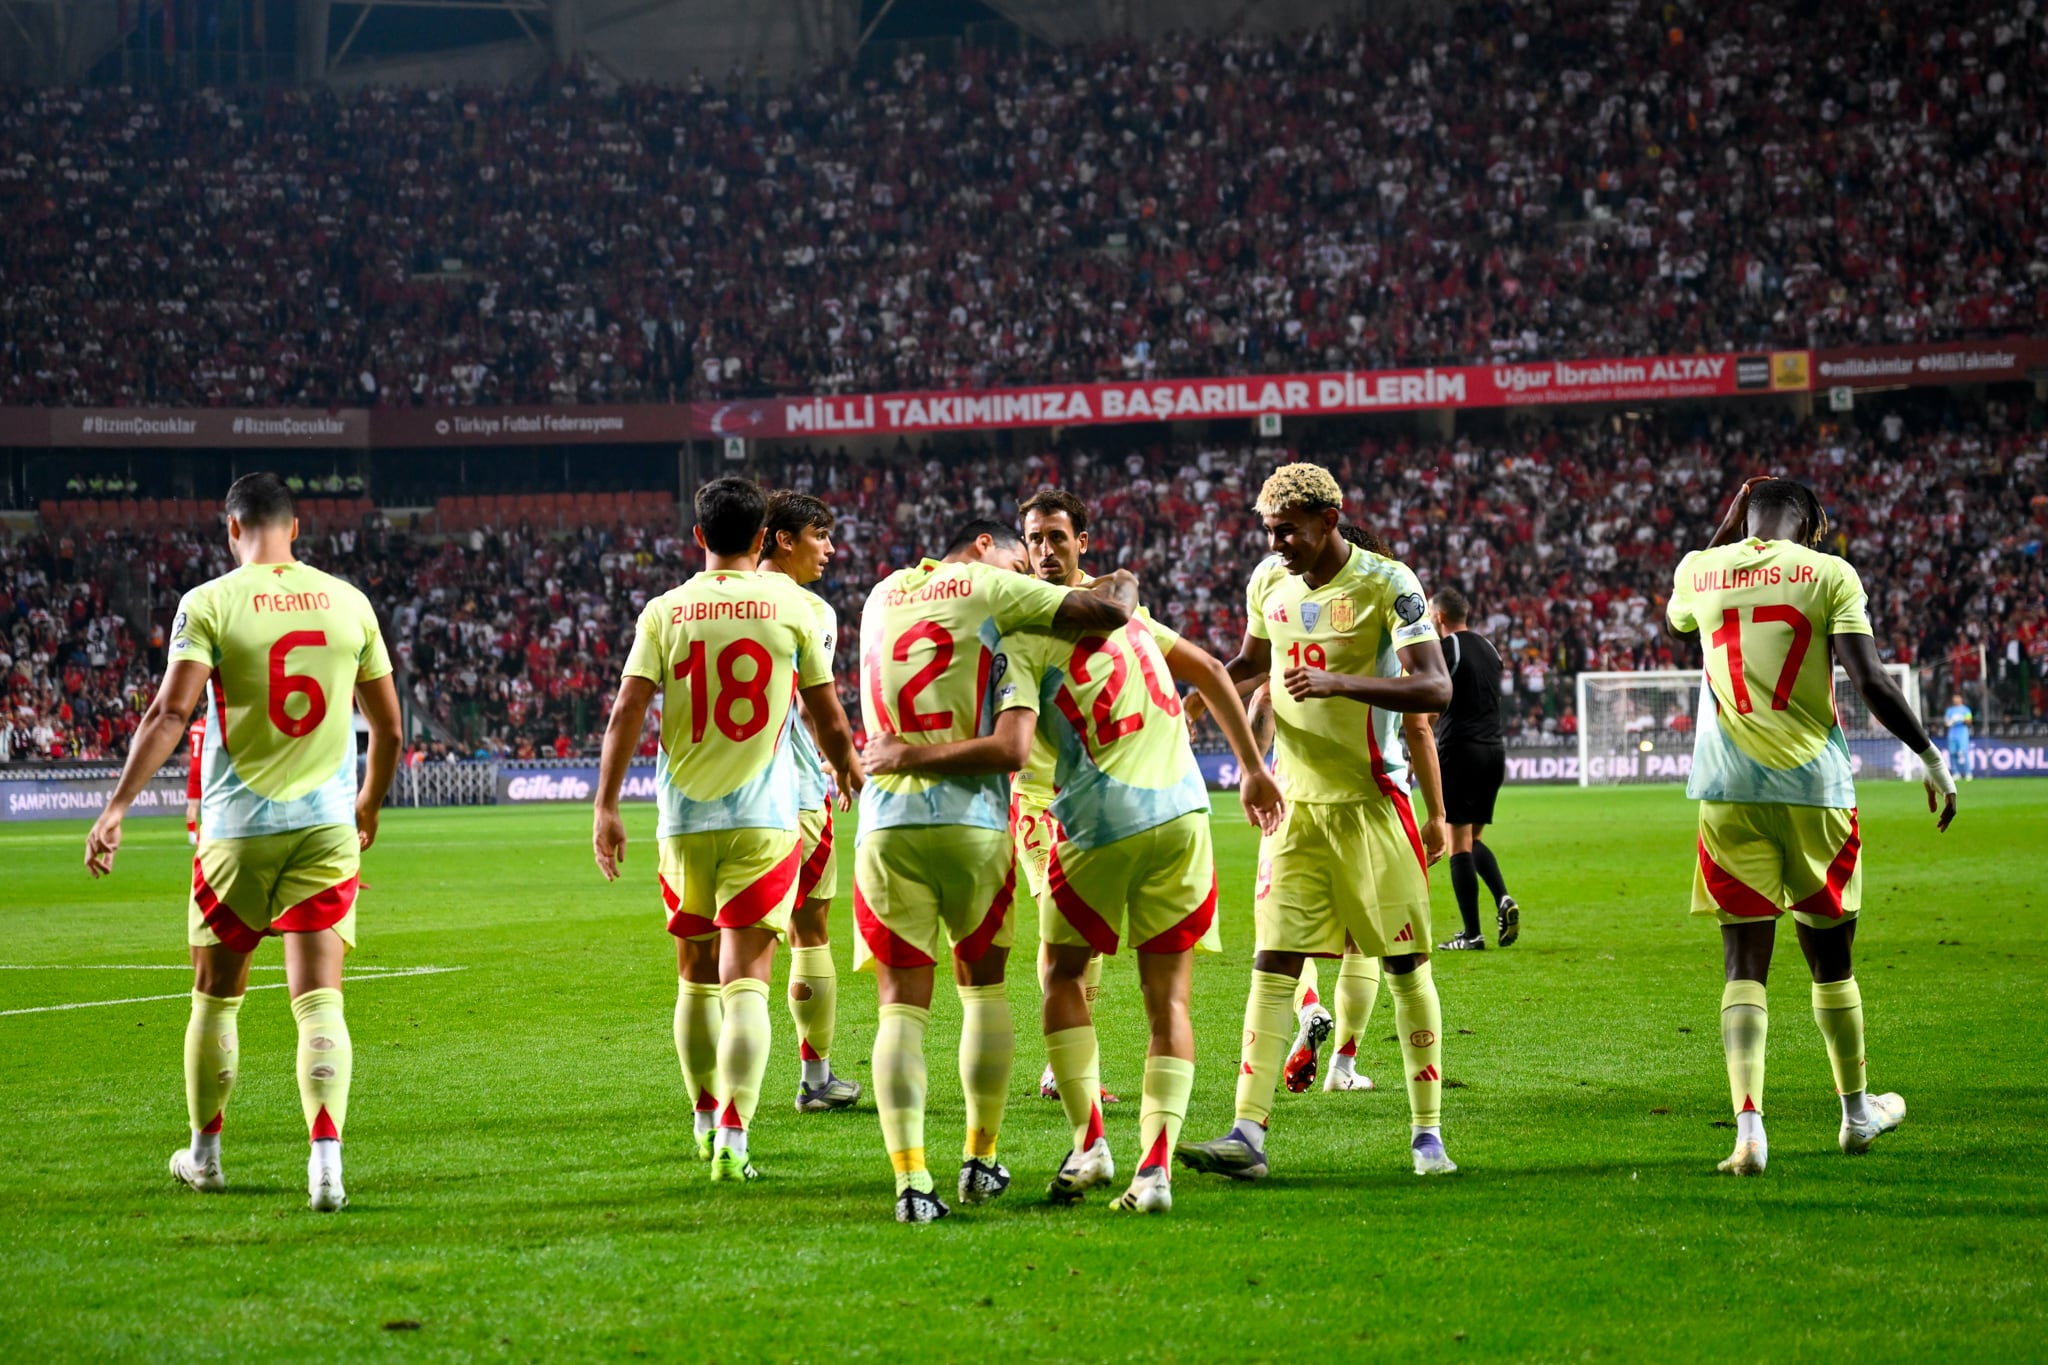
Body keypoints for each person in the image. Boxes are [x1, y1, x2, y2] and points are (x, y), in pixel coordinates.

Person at [85, 471, 402, 1213]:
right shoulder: (349, 601)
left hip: (235, 832)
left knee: (217, 999)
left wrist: (117, 806)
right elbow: (387, 728)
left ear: (233, 530)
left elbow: (170, 712)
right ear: (296, 528)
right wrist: (369, 802)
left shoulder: (210, 603)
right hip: (326, 828)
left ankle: (205, 1156)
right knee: (320, 1001)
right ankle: (326, 1163)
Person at [1666, 476, 1956, 1176]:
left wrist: (1726, 528)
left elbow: (1677, 620)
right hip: (1815, 789)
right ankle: (1856, 1113)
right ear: (1812, 521)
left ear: (1743, 516)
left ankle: (1750, 1131)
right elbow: (1871, 679)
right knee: (1831, 959)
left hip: (1727, 791)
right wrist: (1931, 758)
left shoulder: (1700, 568)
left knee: (1743, 964)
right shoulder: (1830, 573)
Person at [1178, 465, 1457, 1181]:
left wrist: (1340, 680)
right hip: (1293, 809)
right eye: (1269, 530)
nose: (1278, 544)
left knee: (1403, 964)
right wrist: (1192, 702)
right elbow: (1250, 662)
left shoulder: (1389, 583)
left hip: (1371, 806)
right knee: (1273, 961)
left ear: (1330, 518)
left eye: (1289, 530)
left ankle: (1427, 1135)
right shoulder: (1267, 582)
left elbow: (1435, 685)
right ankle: (1247, 1131)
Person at [852, 518, 1134, 1223]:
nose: (1027, 567)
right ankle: (980, 1158)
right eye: (1020, 553)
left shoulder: (881, 595)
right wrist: (1120, 585)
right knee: (983, 993)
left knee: (900, 1006)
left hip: (885, 821)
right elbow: (1106, 616)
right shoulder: (991, 584)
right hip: (973, 823)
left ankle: (912, 1182)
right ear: (986, 545)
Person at [592, 477, 862, 1183]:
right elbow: (826, 711)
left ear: (698, 536)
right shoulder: (793, 606)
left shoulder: (664, 610)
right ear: (761, 536)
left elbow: (626, 710)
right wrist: (848, 766)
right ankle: (736, 1142)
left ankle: (704, 1117)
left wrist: (606, 804)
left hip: (683, 821)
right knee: (747, 980)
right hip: (764, 821)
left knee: (694, 979)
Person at [1013, 488, 1122, 1110]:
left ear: (1082, 541)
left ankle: (1069, 1057)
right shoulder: (1012, 606)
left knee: (1092, 929)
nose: (1046, 549)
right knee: (1062, 927)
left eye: (1058, 537)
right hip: (1034, 796)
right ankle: (1065, 1065)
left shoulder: (1115, 603)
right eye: (1035, 538)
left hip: (1098, 794)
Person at [757, 490, 860, 1113]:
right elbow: (810, 701)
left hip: (714, 800)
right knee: (808, 931)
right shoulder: (812, 610)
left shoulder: (696, 600)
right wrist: (840, 761)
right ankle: (817, 1080)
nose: (829, 548)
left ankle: (715, 1099)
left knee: (727, 951)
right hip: (796, 797)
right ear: (783, 538)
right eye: (819, 535)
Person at [1425, 586, 1520, 950]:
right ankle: (1503, 898)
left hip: (1460, 750)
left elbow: (1435, 703)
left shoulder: (1447, 648)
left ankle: (1471, 934)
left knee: (1456, 843)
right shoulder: (1490, 648)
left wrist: (1419, 746)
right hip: (1493, 750)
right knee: (1473, 839)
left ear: (1439, 617)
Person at [184, 709, 205, 845]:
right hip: (206, 767)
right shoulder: (210, 726)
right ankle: (208, 833)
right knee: (209, 803)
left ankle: (191, 835)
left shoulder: (193, 727)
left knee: (192, 805)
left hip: (194, 766)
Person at [1943, 693, 1974, 781]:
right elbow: (1946, 722)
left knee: (1964, 753)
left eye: (1957, 698)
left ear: (1961, 699)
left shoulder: (1966, 710)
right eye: (1954, 698)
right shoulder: (1950, 710)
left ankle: (1968, 773)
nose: (1955, 699)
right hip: (1952, 734)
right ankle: (1956, 773)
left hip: (1962, 733)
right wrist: (1951, 722)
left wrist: (1962, 719)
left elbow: (1969, 721)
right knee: (1953, 753)